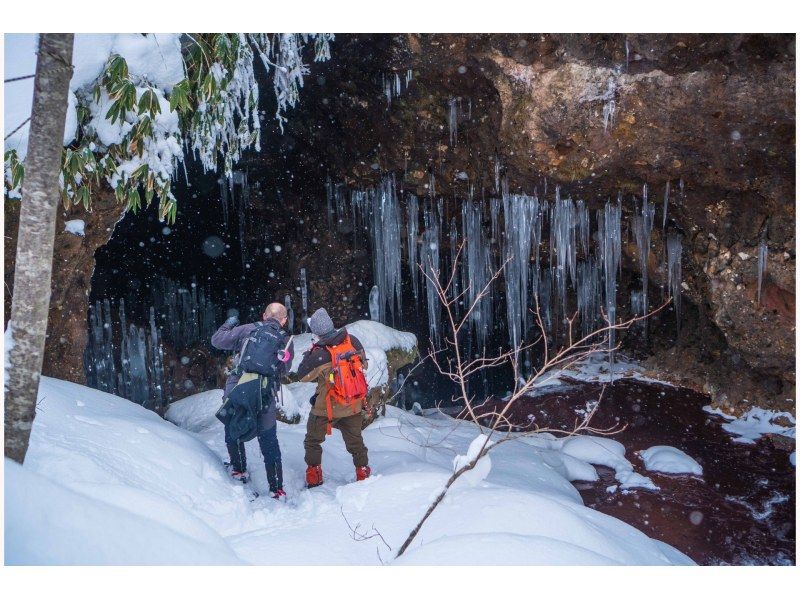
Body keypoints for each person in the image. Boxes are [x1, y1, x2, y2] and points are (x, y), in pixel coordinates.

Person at [211, 302, 293, 499]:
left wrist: (229, 324)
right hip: (265, 393)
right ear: (284, 320)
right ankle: (276, 488)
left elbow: (217, 341)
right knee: (268, 438)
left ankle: (238, 470)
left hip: (239, 387)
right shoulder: (285, 340)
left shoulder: (248, 329)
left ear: (264, 315)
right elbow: (284, 369)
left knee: (233, 425)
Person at [297, 308, 371, 488]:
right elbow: (365, 365)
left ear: (316, 332)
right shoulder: (352, 340)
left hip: (326, 407)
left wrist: (309, 355)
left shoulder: (320, 353)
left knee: (312, 441)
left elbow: (302, 376)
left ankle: (314, 475)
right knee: (356, 441)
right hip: (352, 402)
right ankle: (362, 472)